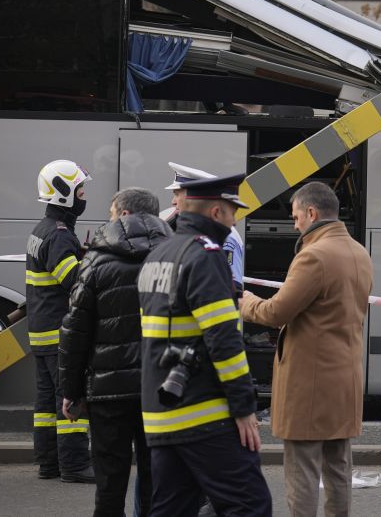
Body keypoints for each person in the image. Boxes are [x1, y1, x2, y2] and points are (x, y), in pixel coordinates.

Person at [137, 174, 271, 517]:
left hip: (161, 412)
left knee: (172, 508)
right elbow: (224, 338)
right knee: (249, 504)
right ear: (215, 212)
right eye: (231, 211)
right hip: (202, 412)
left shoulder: (158, 255)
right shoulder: (206, 256)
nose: (234, 219)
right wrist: (244, 408)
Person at [239, 182, 373, 517]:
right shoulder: (359, 251)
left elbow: (275, 313)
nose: (295, 223)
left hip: (310, 384)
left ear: (311, 213)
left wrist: (245, 300)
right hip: (345, 379)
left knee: (302, 471)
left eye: (297, 216)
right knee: (338, 468)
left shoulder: (314, 255)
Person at [59, 188, 172, 516]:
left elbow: (75, 332)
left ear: (124, 215)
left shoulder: (95, 260)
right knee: (158, 481)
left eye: (111, 213)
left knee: (110, 483)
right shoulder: (177, 256)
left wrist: (71, 391)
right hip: (161, 389)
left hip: (108, 393)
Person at [26, 159, 94, 483]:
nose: (83, 196)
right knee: (70, 397)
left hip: (40, 332)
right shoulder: (60, 235)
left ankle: (49, 464)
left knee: (44, 405)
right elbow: (75, 282)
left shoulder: (41, 230)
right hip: (59, 333)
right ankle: (75, 464)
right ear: (64, 193)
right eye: (80, 189)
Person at [165, 162, 244, 294]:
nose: (173, 201)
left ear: (193, 197)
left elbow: (231, 289)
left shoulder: (226, 235)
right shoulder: (187, 236)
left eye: (177, 194)